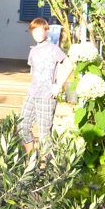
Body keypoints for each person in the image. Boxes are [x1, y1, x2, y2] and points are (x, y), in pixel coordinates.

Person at [19, 17, 74, 152]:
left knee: (44, 133)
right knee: (22, 126)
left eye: (41, 31)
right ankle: (30, 161)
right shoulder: (33, 51)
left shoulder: (53, 49)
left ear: (46, 32)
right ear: (31, 32)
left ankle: (44, 168)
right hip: (32, 94)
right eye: (35, 31)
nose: (38, 34)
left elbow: (69, 66)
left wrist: (58, 86)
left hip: (47, 96)